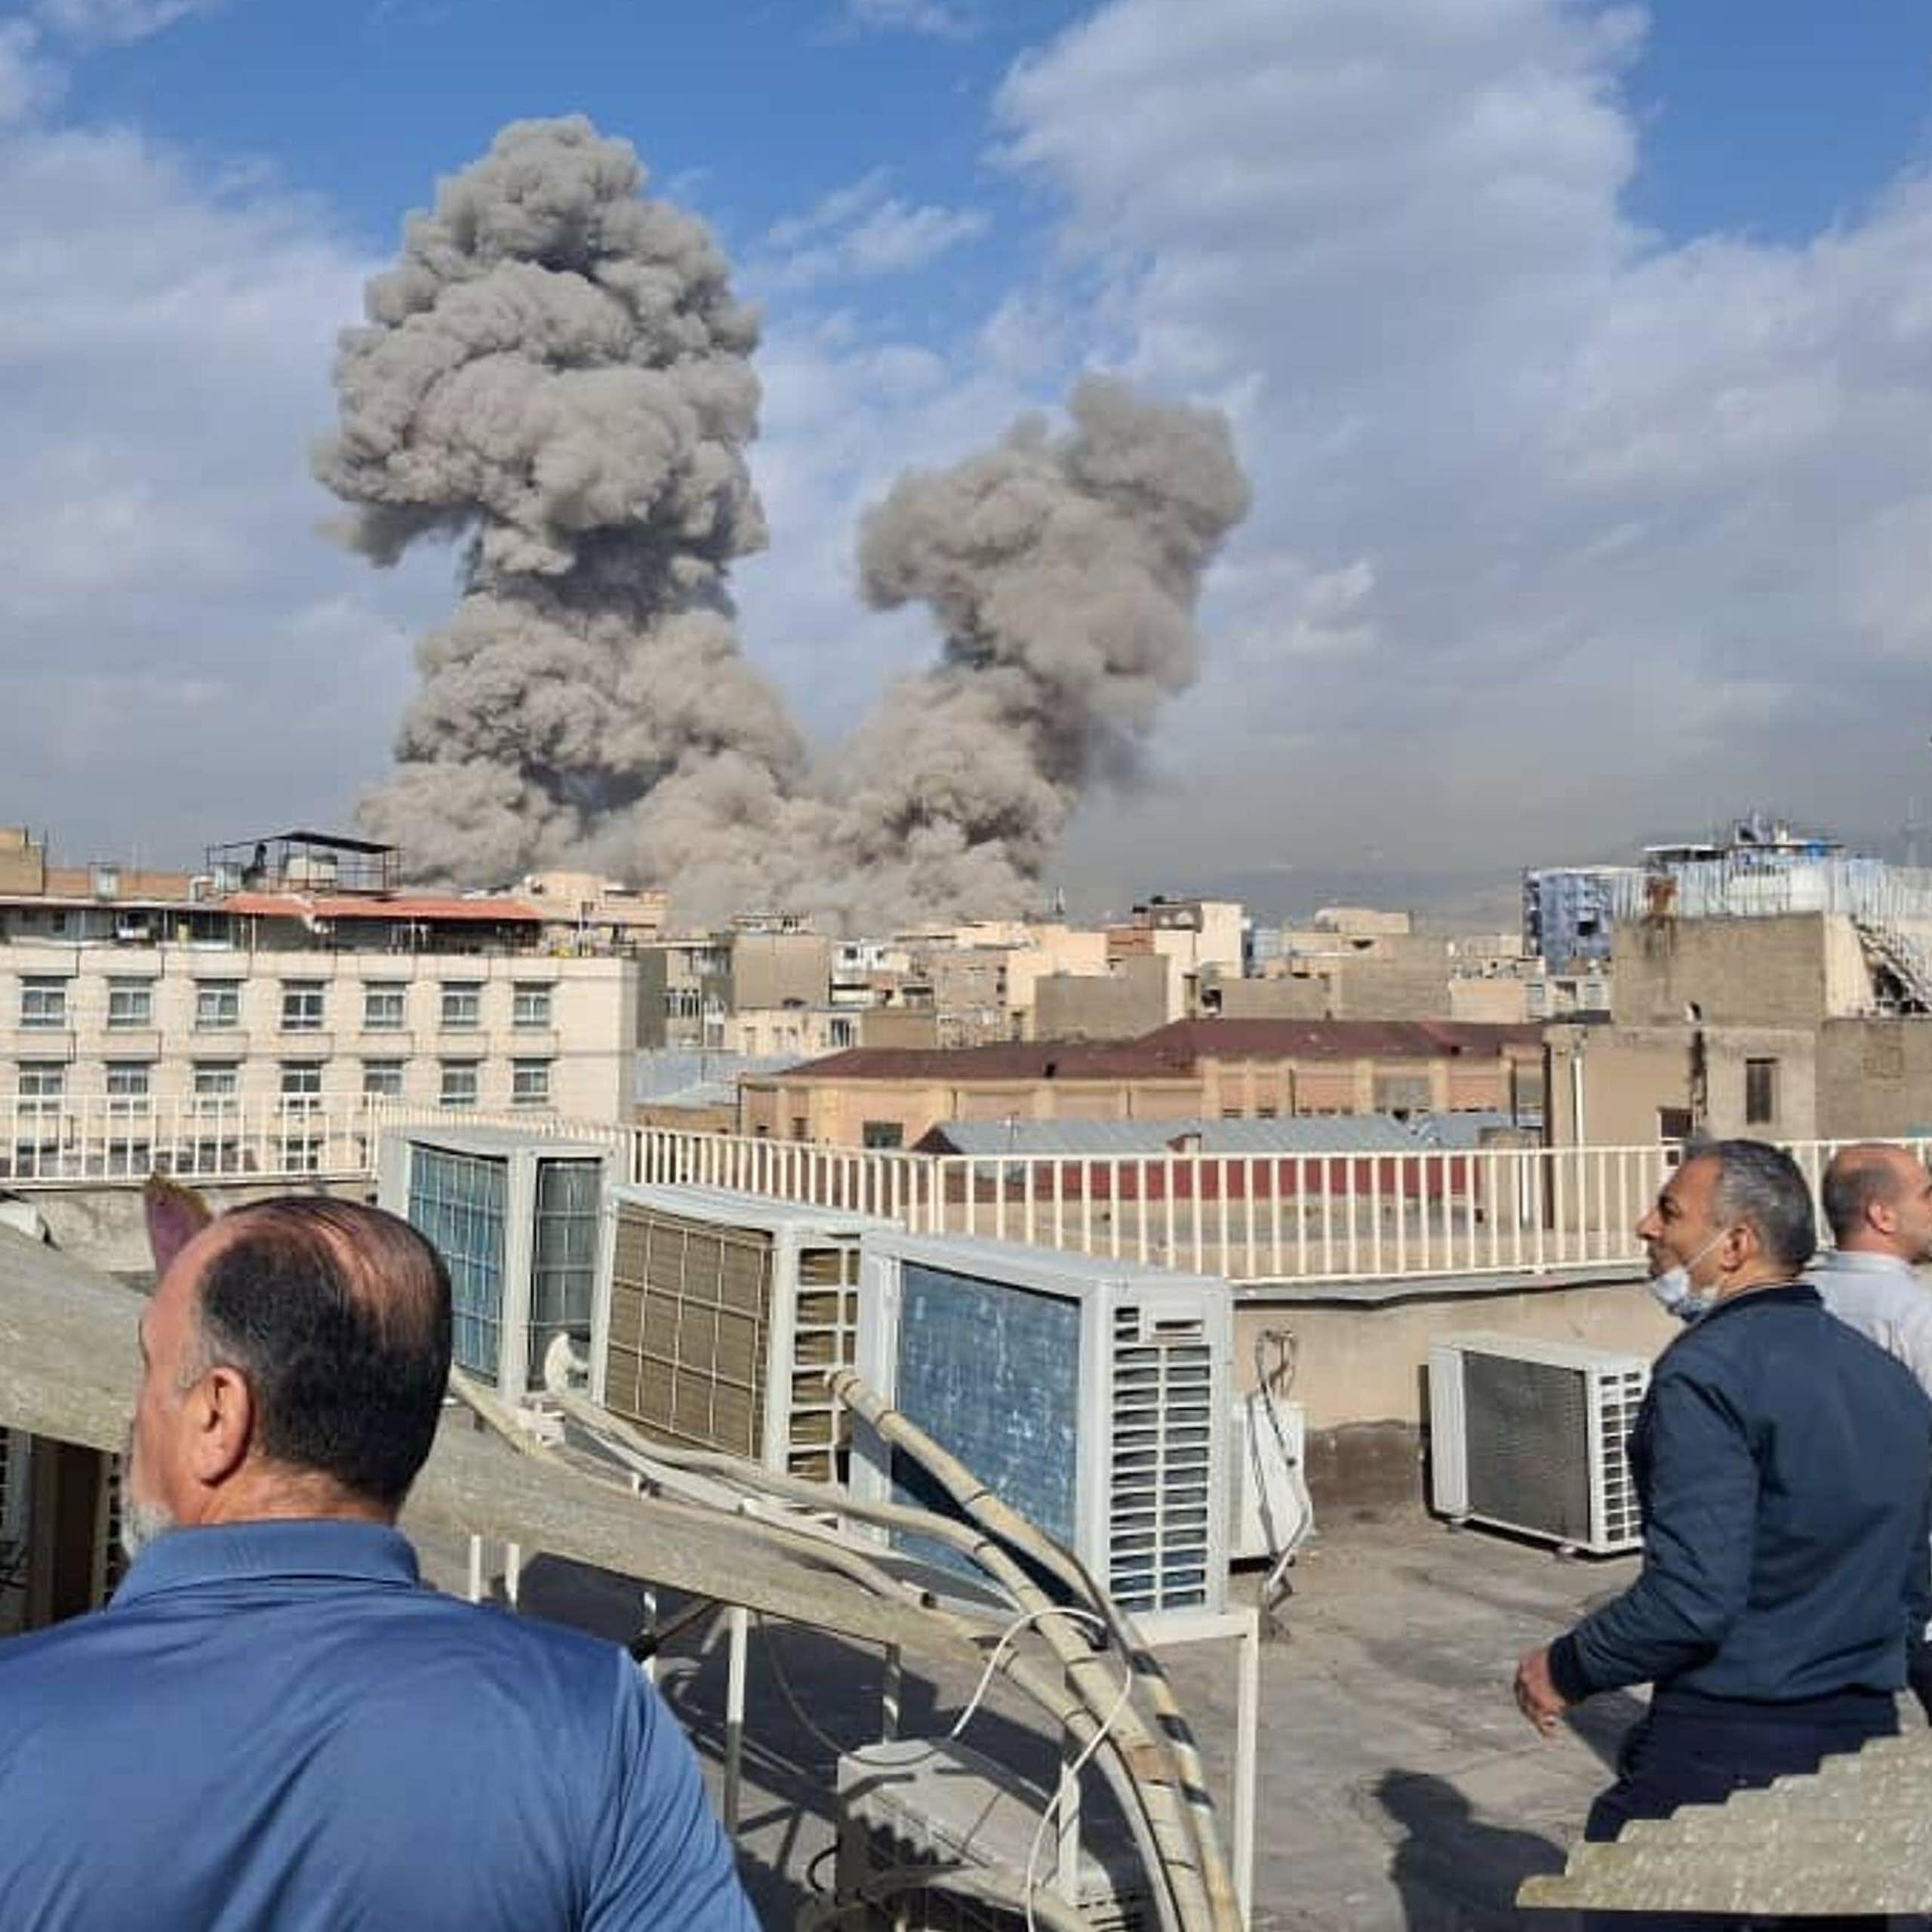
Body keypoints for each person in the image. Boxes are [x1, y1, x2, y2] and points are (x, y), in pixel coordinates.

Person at [0, 1196, 758, 1932]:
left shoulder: (18, 1717)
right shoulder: (598, 1720)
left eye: (149, 1368)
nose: (134, 1412)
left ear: (217, 1416)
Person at [1513, 1140, 1932, 1930]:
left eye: (1670, 1210)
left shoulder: (1706, 1373)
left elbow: (1690, 1599)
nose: (1645, 1225)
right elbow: (1912, 1581)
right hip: (1857, 1745)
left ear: (1736, 1243)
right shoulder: (1888, 1380)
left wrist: (1563, 1667)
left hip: (1726, 1744)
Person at [1814, 1140, 1932, 1718]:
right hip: (1909, 1558)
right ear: (1881, 1215)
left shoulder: (1798, 1298)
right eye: (1927, 1195)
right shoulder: (1916, 1315)